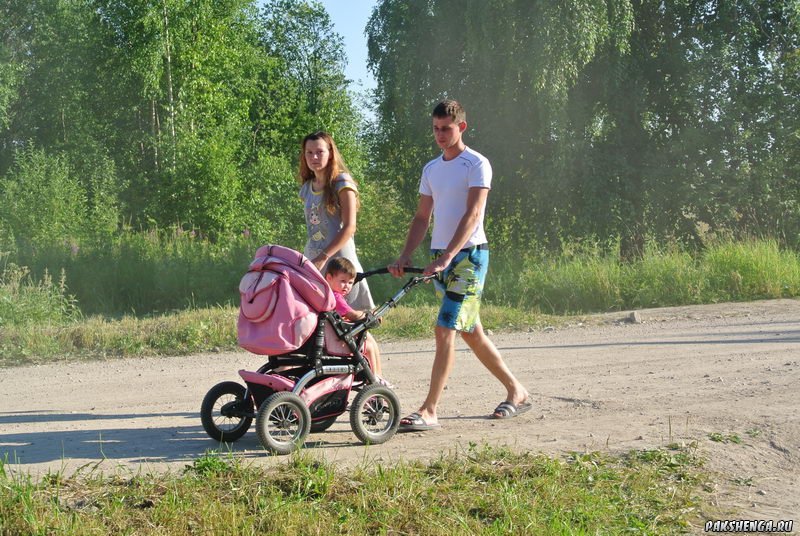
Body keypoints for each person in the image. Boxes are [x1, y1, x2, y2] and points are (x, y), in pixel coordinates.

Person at [388, 99, 530, 431]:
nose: (439, 135)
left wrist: (448, 256)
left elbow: (473, 214)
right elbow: (423, 217)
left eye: (446, 129)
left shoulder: (476, 164)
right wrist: (406, 254)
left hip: (469, 257)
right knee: (470, 332)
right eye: (435, 129)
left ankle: (430, 410)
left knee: (444, 330)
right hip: (443, 256)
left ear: (461, 127)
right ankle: (516, 390)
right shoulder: (431, 169)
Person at [298, 131, 374, 310]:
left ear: (330, 153)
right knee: (316, 317)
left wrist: (324, 257)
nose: (314, 157)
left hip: (339, 260)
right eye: (309, 152)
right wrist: (313, 259)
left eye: (319, 152)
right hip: (314, 258)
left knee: (349, 320)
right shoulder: (307, 188)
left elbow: (349, 227)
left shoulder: (342, 182)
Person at [324, 257, 391, 386]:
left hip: (336, 333)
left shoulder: (328, 294)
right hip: (336, 339)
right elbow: (352, 315)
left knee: (369, 339)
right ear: (329, 278)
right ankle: (374, 380)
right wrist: (368, 315)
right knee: (369, 347)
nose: (347, 286)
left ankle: (378, 376)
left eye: (350, 282)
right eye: (343, 281)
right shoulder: (335, 297)